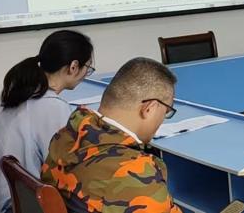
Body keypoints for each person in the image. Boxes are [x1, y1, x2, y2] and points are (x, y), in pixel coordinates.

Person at [42, 57, 182, 213]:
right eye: (166, 112)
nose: (163, 119)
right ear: (149, 109)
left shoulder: (66, 136)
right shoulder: (134, 172)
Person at [0, 31, 94, 213]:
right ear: (73, 67)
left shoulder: (20, 92)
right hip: (15, 205)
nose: (86, 74)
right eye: (88, 68)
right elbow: (66, 168)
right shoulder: (52, 107)